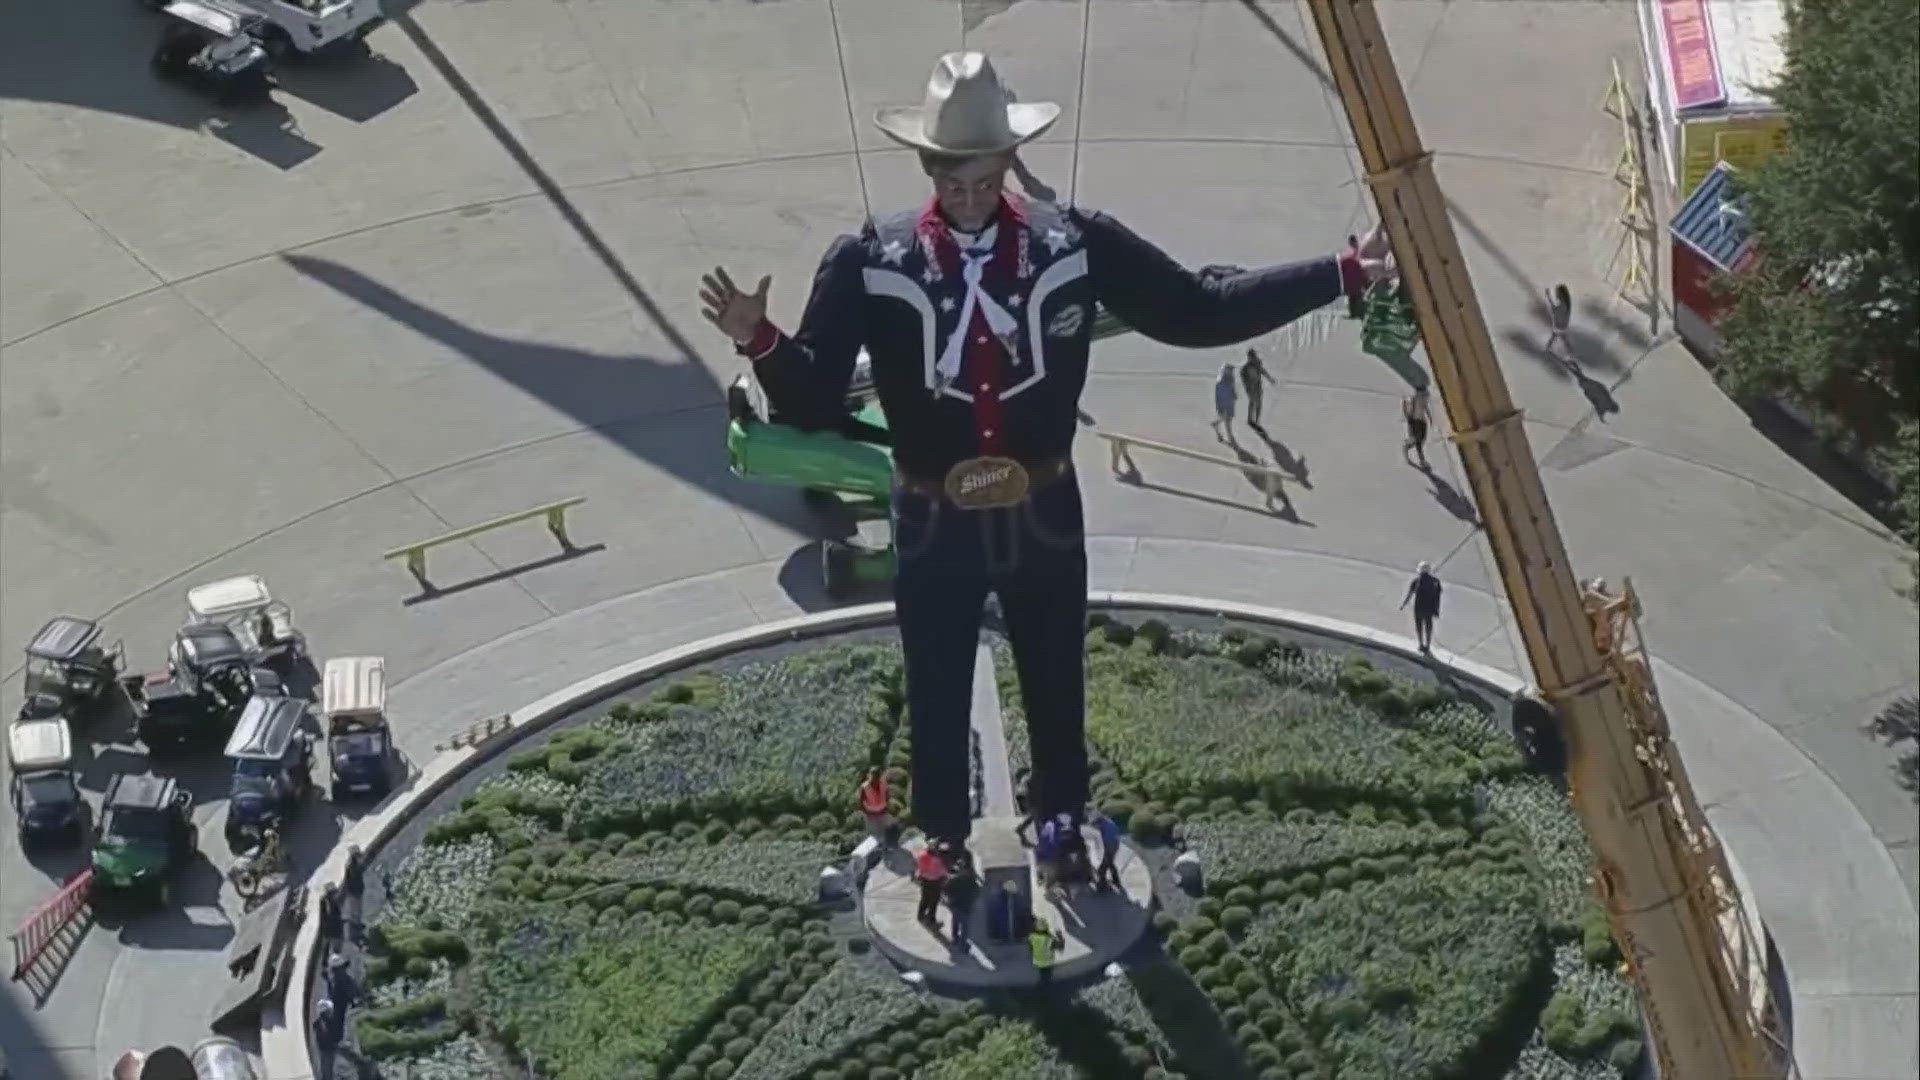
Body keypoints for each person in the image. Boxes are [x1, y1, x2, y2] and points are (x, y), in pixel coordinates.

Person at [698, 51, 1393, 862]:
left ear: (1008, 164)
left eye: (985, 181)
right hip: (933, 514)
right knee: (937, 678)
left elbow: (1195, 310)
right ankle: (944, 838)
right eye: (952, 182)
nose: (969, 200)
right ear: (928, 166)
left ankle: (1062, 817)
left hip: (1045, 509)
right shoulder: (872, 261)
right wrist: (760, 338)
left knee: (1058, 671)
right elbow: (815, 399)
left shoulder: (1074, 244)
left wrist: (1341, 274)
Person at [1401, 561, 1443, 652]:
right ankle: (1427, 645)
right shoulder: (1435, 582)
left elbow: (1410, 594)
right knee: (1428, 626)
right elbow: (1438, 597)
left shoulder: (1416, 581)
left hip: (1418, 607)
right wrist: (1437, 609)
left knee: (1419, 626)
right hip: (1430, 608)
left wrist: (1404, 604)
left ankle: (1420, 644)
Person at [945, 849, 979, 949]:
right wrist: (973, 900)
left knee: (955, 921)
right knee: (965, 926)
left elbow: (946, 889)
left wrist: (949, 899)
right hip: (966, 905)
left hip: (955, 904)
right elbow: (976, 891)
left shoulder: (953, 880)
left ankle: (955, 938)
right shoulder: (971, 880)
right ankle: (963, 944)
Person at [914, 841, 951, 927]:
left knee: (924, 899)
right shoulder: (936, 861)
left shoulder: (922, 856)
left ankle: (920, 915)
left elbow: (918, 867)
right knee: (933, 902)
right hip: (934, 883)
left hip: (924, 881)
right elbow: (943, 872)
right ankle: (931, 920)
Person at [1240, 349, 1277, 429]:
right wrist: (1247, 387)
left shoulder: (1257, 364)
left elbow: (1263, 371)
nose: (1252, 358)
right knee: (1252, 402)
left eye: (1253, 356)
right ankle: (1250, 419)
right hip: (1250, 388)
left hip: (1257, 387)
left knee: (1258, 404)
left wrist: (1270, 379)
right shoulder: (1245, 368)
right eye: (1250, 357)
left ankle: (1257, 420)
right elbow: (1243, 378)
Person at [857, 766, 892, 844]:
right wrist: (867, 813)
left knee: (883, 834)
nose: (876, 778)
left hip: (882, 813)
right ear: (870, 775)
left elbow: (887, 796)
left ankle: (883, 850)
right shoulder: (864, 787)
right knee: (872, 836)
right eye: (874, 775)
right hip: (871, 815)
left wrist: (886, 808)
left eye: (877, 776)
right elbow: (861, 802)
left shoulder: (884, 783)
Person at [1092, 809, 1124, 892]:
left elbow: (1107, 841)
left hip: (1110, 847)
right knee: (1110, 864)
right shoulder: (1109, 822)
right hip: (1115, 845)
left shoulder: (1104, 826)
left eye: (1096, 824)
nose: (1096, 826)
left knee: (1102, 869)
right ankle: (1116, 881)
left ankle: (1102, 886)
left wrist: (1106, 852)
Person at [1402, 385, 1432, 469]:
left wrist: (1429, 417)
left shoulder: (1424, 398)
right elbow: (1407, 409)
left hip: (1422, 420)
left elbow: (1425, 407)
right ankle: (1421, 460)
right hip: (1415, 421)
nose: (1425, 396)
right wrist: (1409, 419)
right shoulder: (1413, 399)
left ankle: (1408, 446)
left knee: (1422, 439)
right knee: (1417, 440)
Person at [1029, 919, 1063, 989]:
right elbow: (1060, 946)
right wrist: (1060, 936)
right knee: (1048, 976)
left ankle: (1041, 985)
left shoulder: (1032, 937)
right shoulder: (1048, 939)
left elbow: (1031, 948)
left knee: (1042, 974)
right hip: (1048, 962)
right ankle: (1046, 988)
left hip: (1037, 961)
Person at [1212, 363, 1239, 442]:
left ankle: (1216, 426)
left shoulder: (1231, 379)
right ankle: (1230, 436)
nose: (1232, 371)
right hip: (1224, 403)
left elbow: (1232, 390)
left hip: (1230, 402)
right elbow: (1218, 396)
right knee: (1227, 420)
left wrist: (1234, 395)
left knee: (1227, 419)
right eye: (1230, 370)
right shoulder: (1220, 382)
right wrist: (1219, 406)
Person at [1545, 283, 1573, 358]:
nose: (1557, 295)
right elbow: (1555, 310)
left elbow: (1554, 310)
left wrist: (1548, 297)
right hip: (1562, 325)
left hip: (1559, 325)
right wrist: (1549, 297)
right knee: (1560, 337)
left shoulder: (1563, 305)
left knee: (1557, 336)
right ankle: (1569, 351)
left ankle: (1548, 348)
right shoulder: (1566, 304)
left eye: (1558, 294)